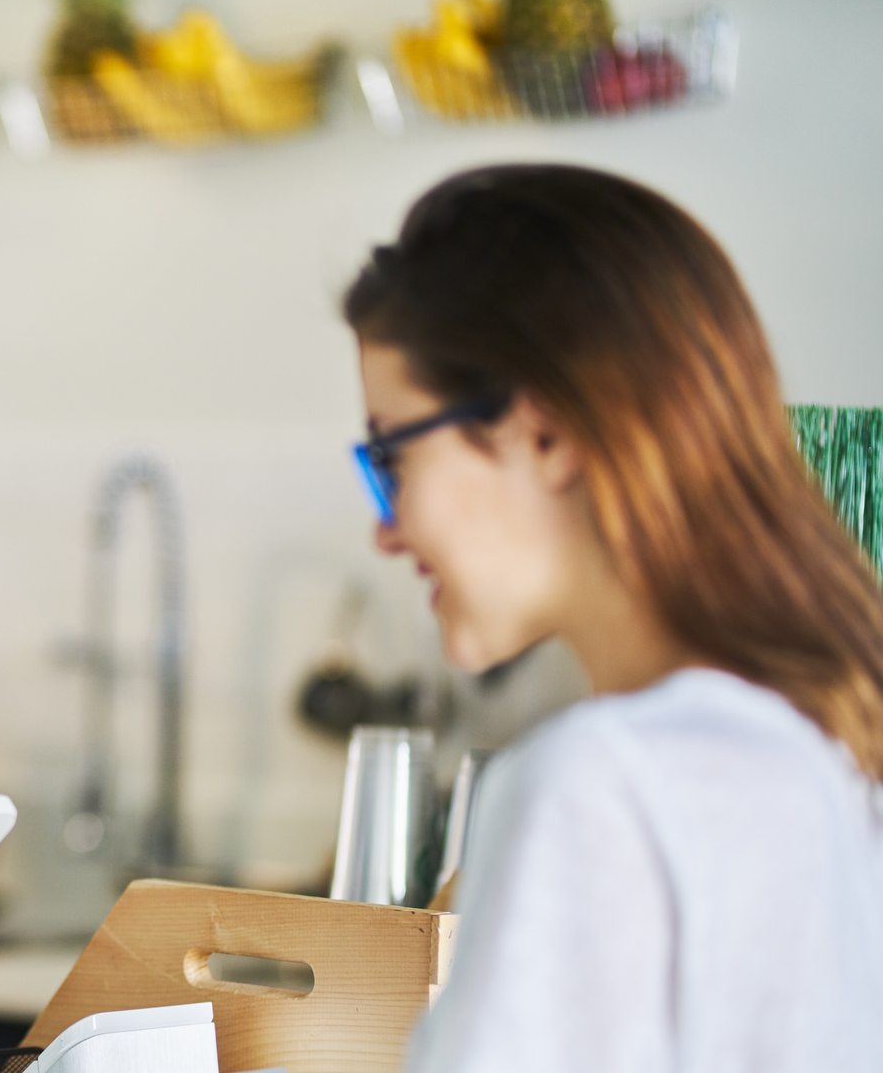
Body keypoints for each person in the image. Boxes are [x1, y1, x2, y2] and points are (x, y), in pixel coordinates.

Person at [343, 164, 883, 1071]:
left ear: (545, 434)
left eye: (392, 456)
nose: (385, 528)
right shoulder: (827, 756)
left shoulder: (600, 785)